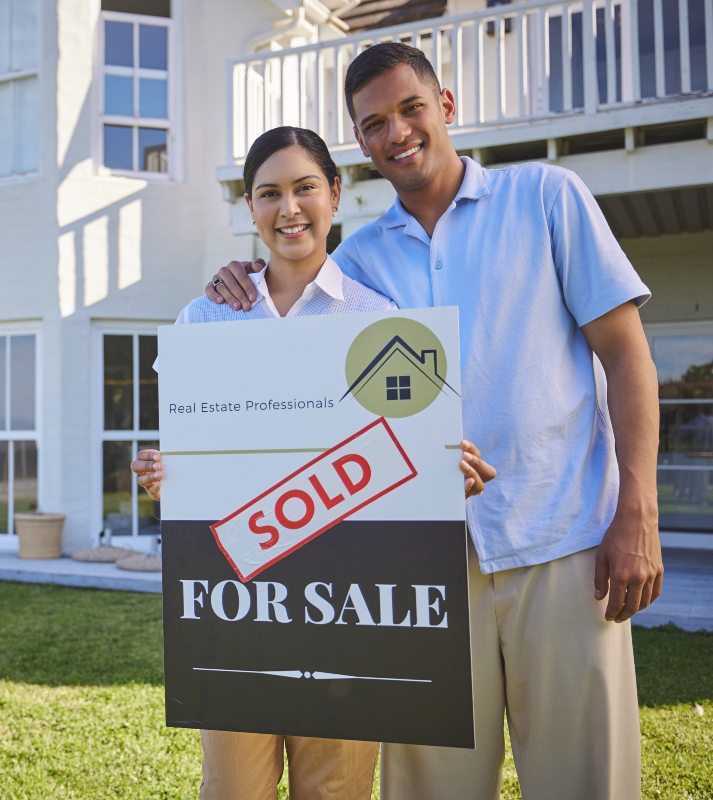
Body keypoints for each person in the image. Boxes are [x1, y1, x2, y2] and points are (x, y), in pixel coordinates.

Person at [204, 43, 663, 800]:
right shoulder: (359, 264)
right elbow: (298, 334)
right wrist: (241, 277)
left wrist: (636, 509)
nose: (397, 131)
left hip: (566, 542)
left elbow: (626, 355)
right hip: (427, 570)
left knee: (588, 783)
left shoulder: (547, 196)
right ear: (361, 141)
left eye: (410, 108)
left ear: (444, 106)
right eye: (375, 122)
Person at [131, 124, 497, 800]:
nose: (289, 208)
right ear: (249, 207)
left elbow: (404, 466)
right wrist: (164, 475)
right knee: (234, 790)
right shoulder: (206, 322)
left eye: (305, 188)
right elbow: (193, 466)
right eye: (269, 193)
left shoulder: (380, 321)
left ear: (335, 192)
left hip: (348, 614)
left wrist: (446, 473)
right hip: (235, 611)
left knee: (336, 791)